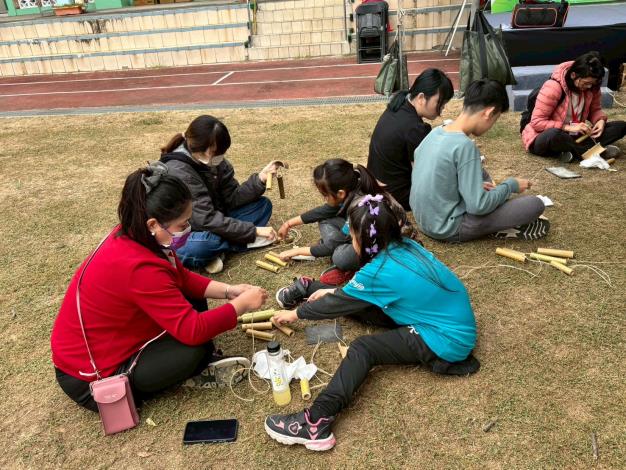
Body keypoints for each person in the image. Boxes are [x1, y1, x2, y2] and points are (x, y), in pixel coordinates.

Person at [264, 193, 479, 451]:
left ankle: (315, 423)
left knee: (363, 348)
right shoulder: (405, 246)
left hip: (446, 339)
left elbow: (336, 304)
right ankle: (310, 288)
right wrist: (332, 292)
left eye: (353, 236)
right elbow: (356, 295)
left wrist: (295, 314)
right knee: (361, 302)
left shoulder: (377, 272)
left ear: (364, 240)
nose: (351, 241)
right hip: (439, 317)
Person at [51, 163, 268, 412]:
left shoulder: (137, 235)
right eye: (183, 224)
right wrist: (241, 305)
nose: (188, 229)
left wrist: (229, 291)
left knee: (192, 301)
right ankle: (185, 373)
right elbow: (193, 330)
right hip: (91, 376)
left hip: (113, 339)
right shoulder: (139, 268)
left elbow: (180, 278)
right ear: (153, 224)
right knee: (196, 350)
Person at [410, 79, 549, 242]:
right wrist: (510, 186)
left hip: (424, 220)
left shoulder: (435, 132)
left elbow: (437, 177)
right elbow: (478, 206)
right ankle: (500, 227)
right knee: (534, 204)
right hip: (448, 228)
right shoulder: (464, 146)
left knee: (484, 184)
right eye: (495, 119)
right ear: (488, 113)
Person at [160, 115, 280, 274]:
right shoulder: (179, 171)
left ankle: (221, 248)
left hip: (214, 219)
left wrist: (260, 179)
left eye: (220, 152)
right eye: (215, 152)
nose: (219, 157)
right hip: (186, 231)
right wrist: (253, 232)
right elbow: (205, 220)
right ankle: (231, 244)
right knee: (205, 245)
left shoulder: (216, 161)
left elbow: (232, 198)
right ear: (205, 151)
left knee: (262, 206)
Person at [275, 158, 397, 286]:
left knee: (340, 257)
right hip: (361, 235)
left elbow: (331, 247)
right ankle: (340, 247)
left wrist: (296, 251)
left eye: (325, 195)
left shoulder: (359, 208)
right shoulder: (354, 186)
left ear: (340, 193)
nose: (325, 199)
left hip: (376, 246)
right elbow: (324, 211)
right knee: (324, 219)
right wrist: (288, 224)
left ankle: (354, 266)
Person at [367, 68, 454, 210]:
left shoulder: (399, 104)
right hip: (395, 196)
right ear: (421, 98)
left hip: (375, 185)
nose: (442, 108)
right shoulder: (415, 128)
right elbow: (425, 176)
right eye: (439, 102)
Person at [522, 51, 626, 163]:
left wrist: (599, 120)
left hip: (575, 135)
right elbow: (537, 122)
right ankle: (594, 152)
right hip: (545, 135)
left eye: (592, 83)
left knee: (620, 127)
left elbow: (595, 110)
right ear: (573, 75)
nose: (589, 86)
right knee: (555, 135)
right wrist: (567, 127)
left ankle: (571, 152)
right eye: (586, 83)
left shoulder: (592, 87)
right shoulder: (553, 87)